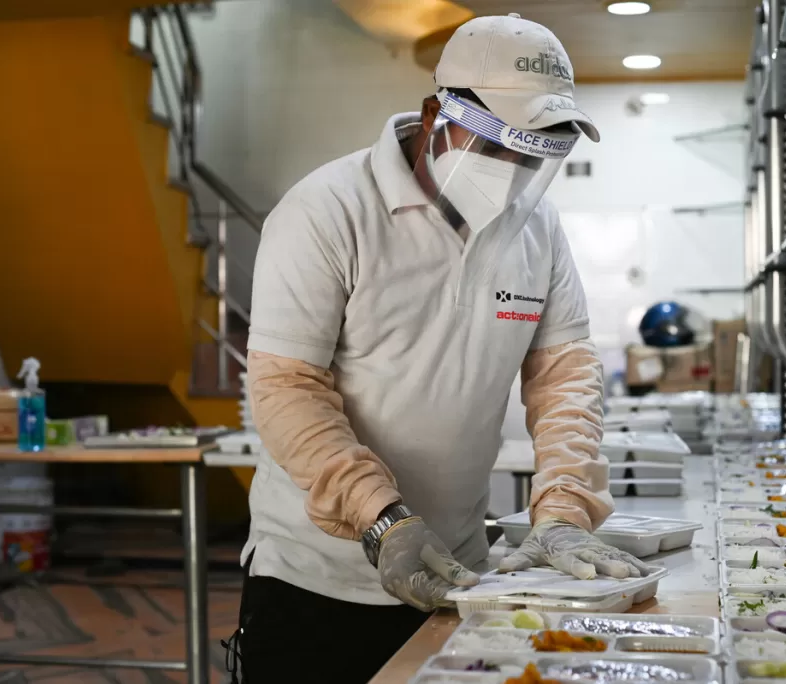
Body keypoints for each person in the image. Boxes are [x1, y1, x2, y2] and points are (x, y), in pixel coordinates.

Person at [226, 12, 652, 683]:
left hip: (460, 570)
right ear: (439, 116)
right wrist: (382, 520)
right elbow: (286, 388)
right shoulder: (327, 211)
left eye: (536, 151)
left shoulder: (536, 227)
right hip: (317, 577)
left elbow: (564, 374)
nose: (515, 170)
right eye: (503, 146)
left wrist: (565, 506)